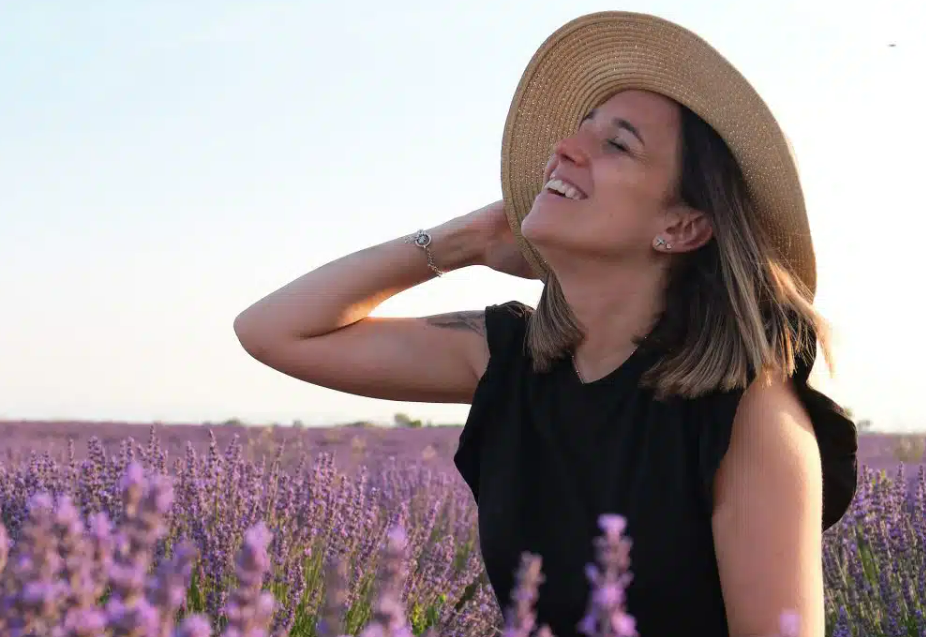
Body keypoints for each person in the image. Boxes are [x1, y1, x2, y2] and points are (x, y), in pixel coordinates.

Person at [233, 10, 857, 637]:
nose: (566, 147)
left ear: (683, 225)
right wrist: (464, 240)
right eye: (581, 127)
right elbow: (271, 330)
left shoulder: (749, 415)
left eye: (617, 144)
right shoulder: (510, 357)